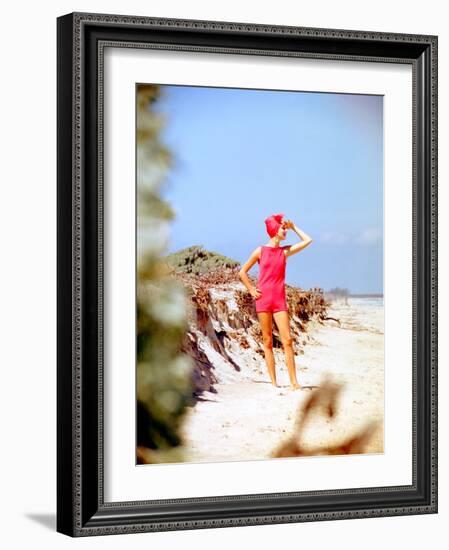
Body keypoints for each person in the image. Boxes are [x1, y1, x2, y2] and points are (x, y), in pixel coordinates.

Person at [238, 214, 313, 390]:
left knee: (287, 340)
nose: (285, 230)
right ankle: (274, 383)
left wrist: (294, 227)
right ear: (274, 230)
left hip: (279, 300)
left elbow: (308, 240)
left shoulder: (284, 252)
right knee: (268, 341)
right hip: (263, 300)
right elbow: (242, 272)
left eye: (285, 228)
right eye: (282, 227)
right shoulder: (260, 251)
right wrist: (251, 289)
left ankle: (294, 382)